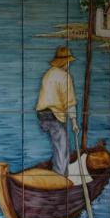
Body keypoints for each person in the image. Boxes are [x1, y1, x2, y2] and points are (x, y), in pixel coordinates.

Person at [35, 45, 80, 176]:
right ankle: (60, 178)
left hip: (42, 114)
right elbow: (69, 101)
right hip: (55, 115)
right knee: (62, 148)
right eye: (68, 62)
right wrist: (74, 122)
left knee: (57, 144)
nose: (69, 65)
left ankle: (55, 171)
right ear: (64, 63)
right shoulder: (65, 77)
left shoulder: (48, 74)